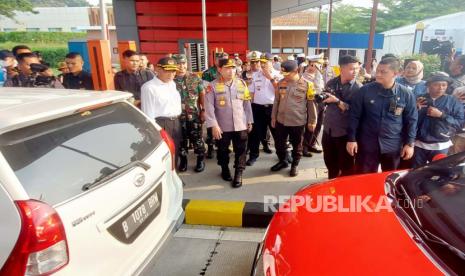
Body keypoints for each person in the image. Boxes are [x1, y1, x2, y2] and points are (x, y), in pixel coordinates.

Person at [347, 57, 418, 174]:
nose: (378, 74)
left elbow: (411, 120)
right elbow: (354, 116)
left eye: (383, 72)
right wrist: (351, 139)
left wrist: (410, 144)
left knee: (390, 179)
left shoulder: (406, 94)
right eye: (377, 70)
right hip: (367, 145)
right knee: (364, 178)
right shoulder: (365, 91)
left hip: (392, 146)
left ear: (396, 73)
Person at [204, 58, 253, 188]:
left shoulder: (242, 84)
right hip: (222, 126)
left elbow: (247, 104)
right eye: (227, 68)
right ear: (219, 69)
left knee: (241, 150)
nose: (230, 71)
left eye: (233, 68)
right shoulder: (212, 86)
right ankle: (224, 169)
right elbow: (209, 108)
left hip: (240, 124)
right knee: (222, 150)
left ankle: (239, 172)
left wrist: (249, 120)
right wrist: (213, 125)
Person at [271, 60, 317, 177]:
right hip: (281, 120)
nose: (284, 76)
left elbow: (311, 104)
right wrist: (273, 117)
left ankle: (294, 165)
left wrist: (312, 121)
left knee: (297, 146)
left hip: (297, 121)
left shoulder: (307, 85)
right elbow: (276, 101)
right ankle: (283, 161)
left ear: (296, 71)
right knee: (279, 144)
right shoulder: (281, 83)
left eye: (287, 74)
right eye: (283, 74)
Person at [321, 55, 362, 179]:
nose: (355, 71)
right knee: (329, 162)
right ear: (341, 69)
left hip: (345, 134)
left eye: (357, 68)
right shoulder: (331, 82)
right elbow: (325, 100)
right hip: (328, 130)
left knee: (346, 167)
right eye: (351, 68)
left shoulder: (358, 88)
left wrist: (337, 101)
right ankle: (331, 183)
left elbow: (356, 112)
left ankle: (343, 191)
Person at [413, 72, 464, 168]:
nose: (440, 88)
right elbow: (406, 118)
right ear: (428, 86)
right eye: (436, 84)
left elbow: (460, 123)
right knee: (417, 171)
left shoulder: (453, 102)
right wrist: (413, 108)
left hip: (441, 145)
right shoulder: (418, 99)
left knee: (438, 171)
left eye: (444, 85)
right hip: (418, 144)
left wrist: (441, 115)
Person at [141, 57, 182, 165]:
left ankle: (174, 176)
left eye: (173, 71)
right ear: (157, 69)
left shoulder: (172, 84)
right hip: (161, 124)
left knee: (175, 150)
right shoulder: (149, 87)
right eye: (167, 70)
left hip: (175, 122)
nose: (171, 74)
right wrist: (156, 132)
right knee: (164, 154)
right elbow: (148, 114)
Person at [246, 52, 282, 166]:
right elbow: (251, 94)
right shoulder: (255, 75)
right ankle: (253, 155)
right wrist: (248, 110)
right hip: (257, 108)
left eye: (265, 62)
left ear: (272, 62)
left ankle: (283, 156)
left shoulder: (279, 75)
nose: (262, 65)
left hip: (273, 108)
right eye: (261, 62)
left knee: (278, 133)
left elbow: (280, 92)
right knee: (254, 134)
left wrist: (270, 77)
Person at [172, 54, 206, 173]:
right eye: (178, 64)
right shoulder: (170, 79)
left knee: (197, 139)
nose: (181, 66)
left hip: (194, 115)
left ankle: (200, 160)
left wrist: (203, 110)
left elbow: (202, 95)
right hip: (176, 116)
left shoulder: (195, 77)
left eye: (183, 63)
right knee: (181, 140)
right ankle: (183, 160)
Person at [202, 51, 229, 159]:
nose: (223, 61)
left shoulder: (230, 70)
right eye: (221, 59)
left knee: (225, 125)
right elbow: (205, 90)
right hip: (213, 102)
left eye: (225, 59)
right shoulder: (208, 73)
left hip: (226, 104)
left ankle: (223, 146)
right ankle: (210, 147)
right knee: (212, 125)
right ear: (215, 60)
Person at [301, 54, 325, 156]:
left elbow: (322, 88)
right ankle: (304, 147)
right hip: (310, 104)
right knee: (310, 125)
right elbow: (316, 87)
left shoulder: (319, 74)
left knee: (318, 125)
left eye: (318, 65)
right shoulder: (304, 76)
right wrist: (318, 73)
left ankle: (312, 144)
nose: (315, 67)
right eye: (313, 65)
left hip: (320, 102)